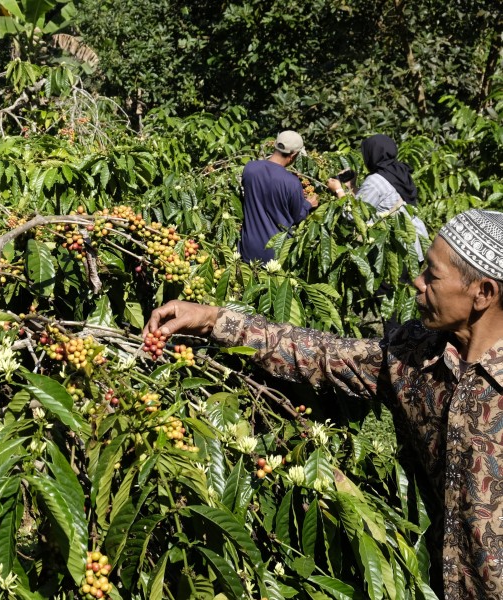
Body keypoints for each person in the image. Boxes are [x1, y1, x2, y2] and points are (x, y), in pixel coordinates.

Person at [143, 209, 503, 598]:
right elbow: (323, 355)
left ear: (482, 293)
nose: (416, 282)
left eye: (432, 276)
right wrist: (213, 320)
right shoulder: (417, 356)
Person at [327, 133, 428, 260]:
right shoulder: (398, 171)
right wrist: (351, 187)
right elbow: (379, 200)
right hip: (415, 243)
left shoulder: (375, 180)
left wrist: (338, 190)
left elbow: (353, 215)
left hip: (396, 249)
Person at [239, 130, 319, 263]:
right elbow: (297, 217)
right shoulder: (292, 182)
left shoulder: (250, 168)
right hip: (275, 254)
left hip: (248, 249)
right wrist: (308, 204)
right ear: (293, 155)